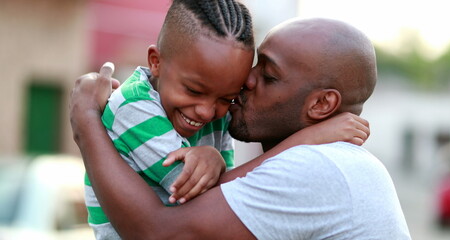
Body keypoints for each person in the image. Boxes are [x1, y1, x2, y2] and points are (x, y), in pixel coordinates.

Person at [70, 17, 411, 239]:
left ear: (321, 105)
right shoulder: (332, 161)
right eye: (255, 64)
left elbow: (161, 234)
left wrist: (86, 121)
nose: (246, 80)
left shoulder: (319, 166)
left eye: (269, 76)